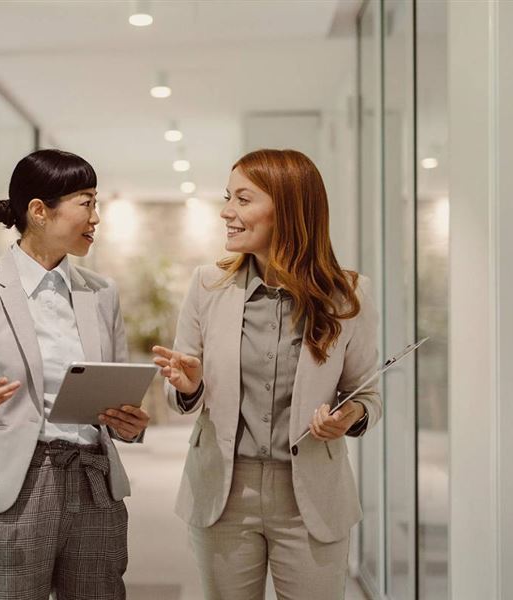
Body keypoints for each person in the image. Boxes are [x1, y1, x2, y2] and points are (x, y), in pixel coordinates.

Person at [152, 149, 381, 600]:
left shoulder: (348, 294)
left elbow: (366, 394)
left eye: (242, 199)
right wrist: (189, 385)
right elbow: (181, 384)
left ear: (289, 209)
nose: (227, 212)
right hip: (223, 491)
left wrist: (348, 414)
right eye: (227, 197)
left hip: (312, 495)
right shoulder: (206, 285)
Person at [0, 149, 149, 600]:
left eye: (96, 203)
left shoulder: (101, 293)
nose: (96, 217)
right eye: (86, 203)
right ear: (39, 211)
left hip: (95, 485)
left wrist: (128, 422)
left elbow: (115, 392)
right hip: (17, 488)